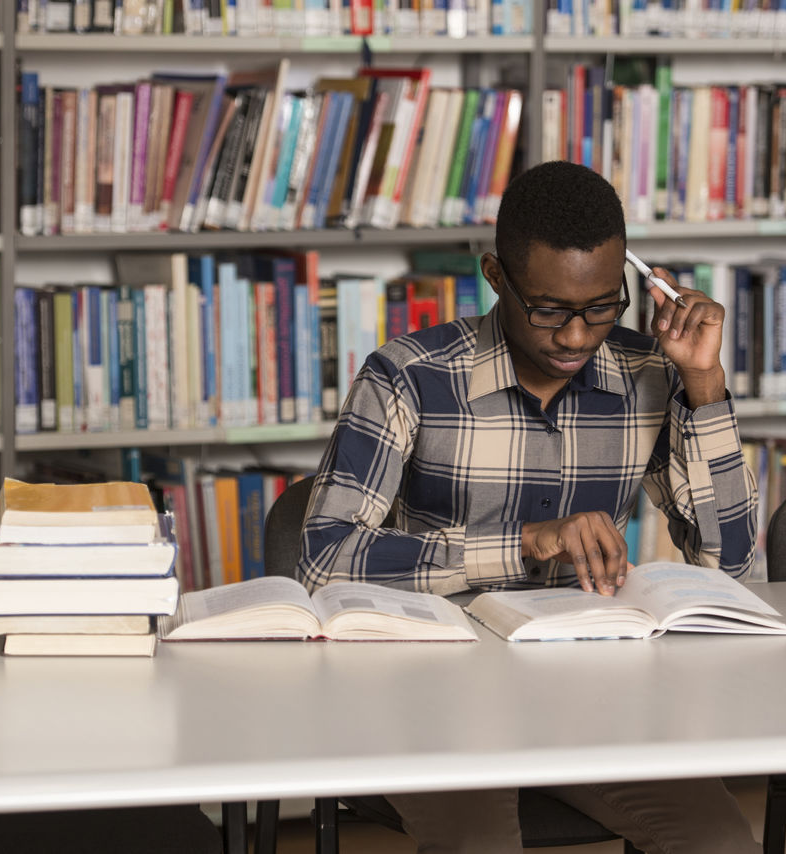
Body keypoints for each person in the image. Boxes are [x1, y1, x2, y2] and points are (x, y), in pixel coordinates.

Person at [296, 160, 759, 854]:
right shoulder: (408, 376)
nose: (575, 336)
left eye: (601, 308)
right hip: (433, 686)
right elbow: (324, 557)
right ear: (495, 276)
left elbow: (734, 567)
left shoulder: (649, 375)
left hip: (590, 687)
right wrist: (523, 541)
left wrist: (704, 383)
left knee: (720, 842)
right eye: (549, 310)